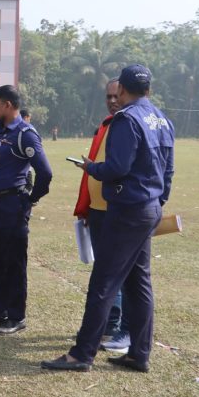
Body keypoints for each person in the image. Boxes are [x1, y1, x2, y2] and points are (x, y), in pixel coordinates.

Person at [42, 64, 174, 373]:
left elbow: (116, 167)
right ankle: (139, 354)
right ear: (149, 90)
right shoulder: (162, 120)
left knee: (103, 282)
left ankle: (81, 354)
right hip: (149, 207)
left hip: (127, 210)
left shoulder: (126, 120)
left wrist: (90, 167)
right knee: (139, 283)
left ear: (124, 90)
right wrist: (157, 201)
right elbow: (168, 171)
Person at [0, 85, 52, 335]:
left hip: (12, 206)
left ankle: (16, 316)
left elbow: (45, 172)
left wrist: (30, 200)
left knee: (13, 263)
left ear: (7, 105)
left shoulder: (24, 134)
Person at [72, 79, 129, 349]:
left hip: (117, 211)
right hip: (97, 210)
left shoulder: (130, 125)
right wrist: (85, 207)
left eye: (117, 95)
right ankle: (106, 324)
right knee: (103, 270)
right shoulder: (107, 125)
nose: (112, 100)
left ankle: (113, 325)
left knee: (114, 272)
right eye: (108, 96)